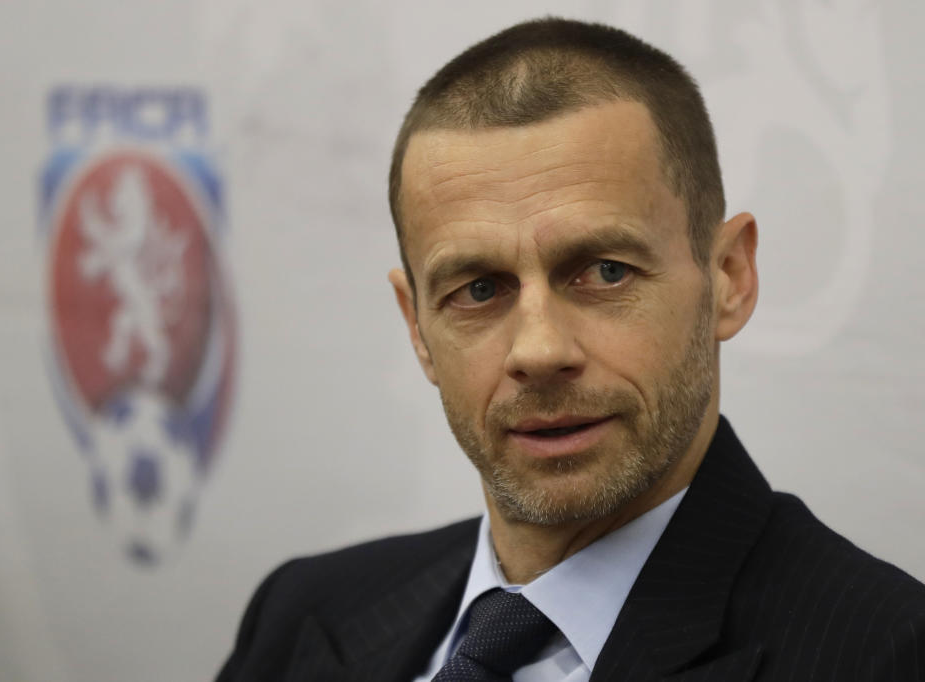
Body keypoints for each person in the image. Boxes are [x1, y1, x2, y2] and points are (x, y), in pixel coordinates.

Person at [216, 18, 925, 681]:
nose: (539, 349)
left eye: (605, 272)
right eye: (479, 288)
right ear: (417, 329)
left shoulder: (883, 651)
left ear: (729, 279)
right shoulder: (299, 615)